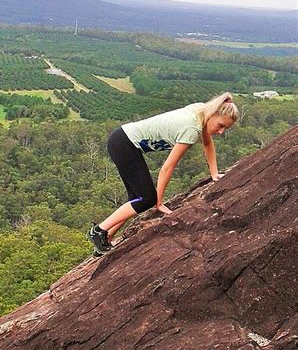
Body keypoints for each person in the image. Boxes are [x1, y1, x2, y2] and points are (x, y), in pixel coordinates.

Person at [88, 93, 239, 256]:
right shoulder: (191, 129)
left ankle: (106, 238)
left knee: (136, 199)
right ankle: (98, 231)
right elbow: (167, 168)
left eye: (225, 129)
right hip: (125, 144)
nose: (221, 131)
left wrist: (214, 173)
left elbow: (207, 143)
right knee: (146, 199)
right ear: (214, 114)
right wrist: (158, 203)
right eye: (221, 125)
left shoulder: (200, 110)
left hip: (121, 139)